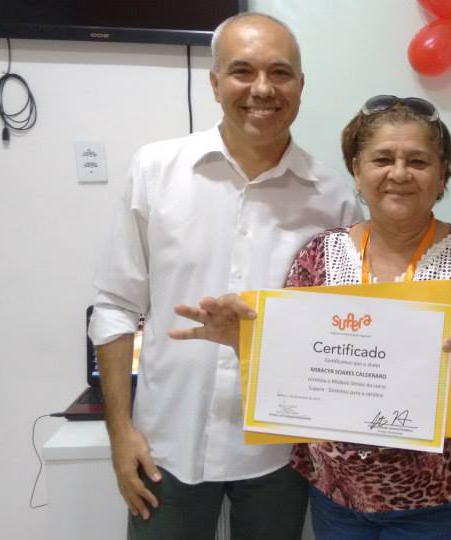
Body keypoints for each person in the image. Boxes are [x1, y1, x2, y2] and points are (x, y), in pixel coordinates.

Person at [169, 95, 451, 540]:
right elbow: (292, 372)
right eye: (382, 159)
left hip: (438, 501)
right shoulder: (319, 254)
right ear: (357, 172)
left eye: (418, 161)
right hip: (336, 497)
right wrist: (243, 342)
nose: (399, 173)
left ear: (442, 175)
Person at [87, 12, 362, 539]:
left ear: (301, 85)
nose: (262, 88)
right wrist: (120, 432)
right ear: (215, 83)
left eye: (280, 72)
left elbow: (342, 330)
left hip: (281, 452)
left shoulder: (334, 198)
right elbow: (115, 306)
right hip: (166, 445)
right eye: (242, 71)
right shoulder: (155, 170)